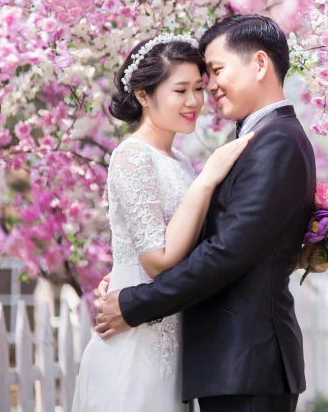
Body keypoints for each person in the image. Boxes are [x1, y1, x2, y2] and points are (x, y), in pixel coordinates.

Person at [94, 14, 316, 412]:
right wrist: (130, 271)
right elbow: (211, 237)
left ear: (259, 64)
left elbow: (228, 251)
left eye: (212, 73)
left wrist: (135, 302)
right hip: (228, 360)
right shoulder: (259, 139)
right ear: (145, 95)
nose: (206, 91)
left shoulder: (275, 142)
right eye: (188, 86)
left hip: (245, 359)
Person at [73, 34, 255, 411]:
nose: (193, 102)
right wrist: (208, 179)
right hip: (134, 338)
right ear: (143, 95)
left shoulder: (181, 162)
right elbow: (156, 259)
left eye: (199, 89)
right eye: (180, 90)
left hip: (173, 334)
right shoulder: (132, 156)